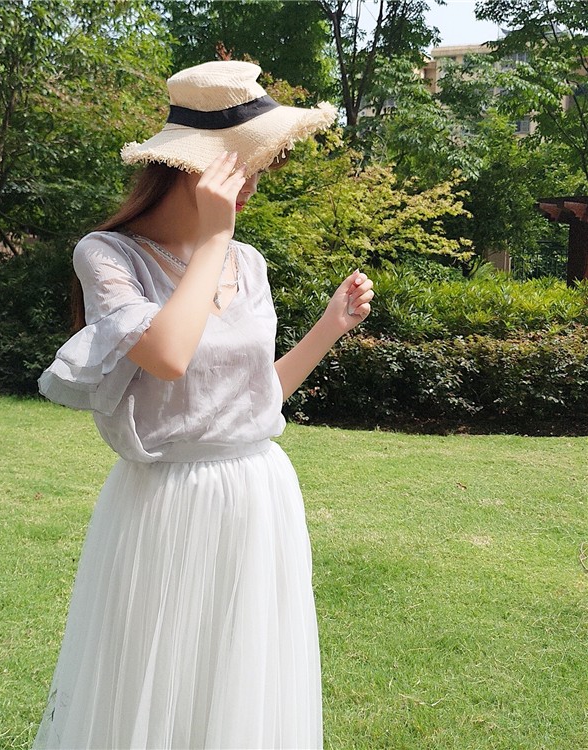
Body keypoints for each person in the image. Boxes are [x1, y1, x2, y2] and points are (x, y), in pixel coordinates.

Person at [33, 60, 374, 750]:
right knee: (154, 680)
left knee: (240, 675)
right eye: (242, 165)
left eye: (257, 167)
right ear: (193, 166)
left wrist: (329, 328)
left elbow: (254, 397)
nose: (252, 184)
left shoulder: (250, 263)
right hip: (166, 500)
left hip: (258, 491)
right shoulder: (108, 255)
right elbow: (167, 354)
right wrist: (215, 239)